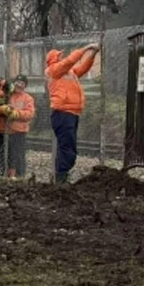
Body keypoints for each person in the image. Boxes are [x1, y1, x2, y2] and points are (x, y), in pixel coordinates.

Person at [47, 43, 99, 184]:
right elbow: (70, 61)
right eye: (59, 56)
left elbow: (83, 68)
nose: (62, 57)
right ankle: (61, 178)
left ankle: (62, 177)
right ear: (54, 60)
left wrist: (92, 55)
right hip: (63, 113)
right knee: (67, 147)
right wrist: (85, 48)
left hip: (71, 113)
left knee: (68, 146)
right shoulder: (54, 70)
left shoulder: (70, 73)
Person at [0, 74, 37, 178]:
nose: (19, 85)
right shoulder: (7, 95)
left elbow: (30, 114)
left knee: (18, 155)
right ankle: (4, 173)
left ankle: (19, 175)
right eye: (17, 82)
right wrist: (4, 109)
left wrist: (17, 114)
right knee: (5, 154)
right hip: (5, 130)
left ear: (25, 86)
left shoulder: (28, 98)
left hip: (19, 131)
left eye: (22, 83)